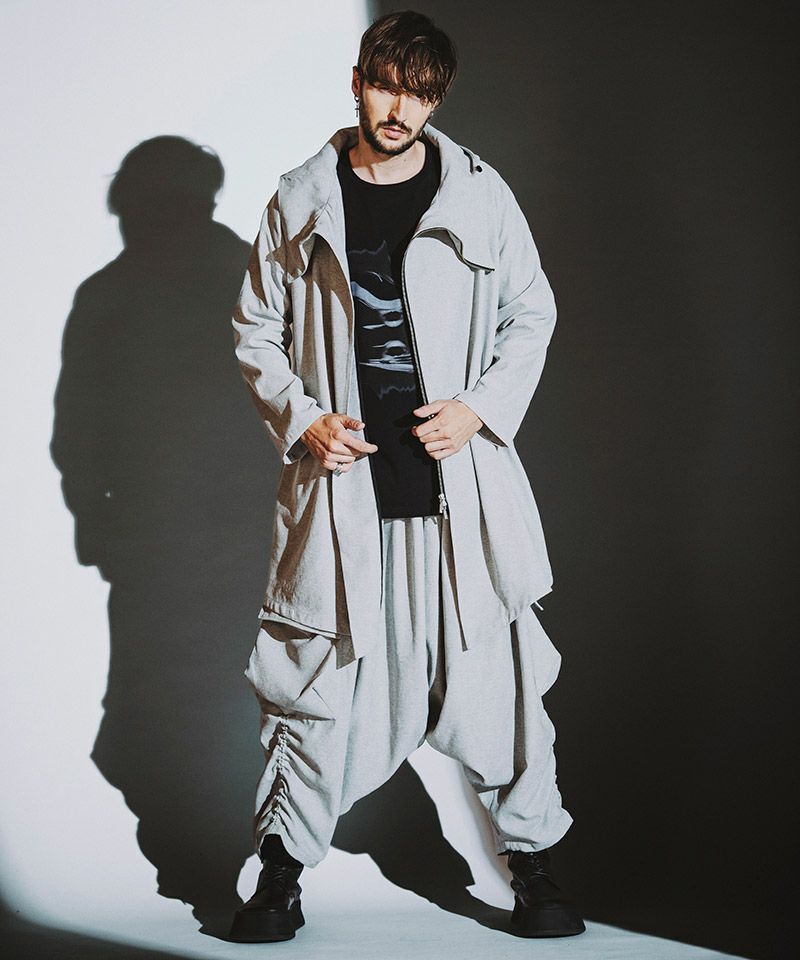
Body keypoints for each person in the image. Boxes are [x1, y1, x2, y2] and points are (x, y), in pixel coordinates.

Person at [228, 9, 585, 943]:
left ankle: (534, 867)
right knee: (317, 688)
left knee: (501, 688)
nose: (400, 110)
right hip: (346, 495)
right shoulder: (299, 199)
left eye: (419, 94)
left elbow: (532, 313)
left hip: (460, 494)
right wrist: (304, 419)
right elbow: (257, 328)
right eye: (387, 86)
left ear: (437, 98)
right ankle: (280, 876)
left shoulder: (480, 195)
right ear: (358, 81)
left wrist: (480, 409)